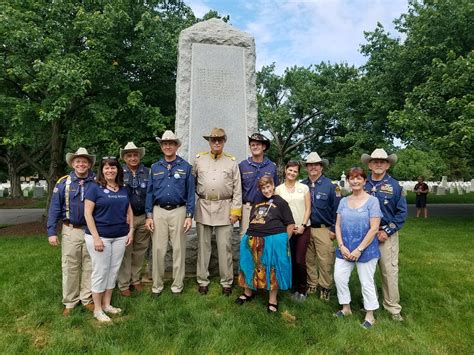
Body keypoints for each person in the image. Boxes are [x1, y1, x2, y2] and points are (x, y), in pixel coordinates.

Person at [47, 148, 96, 316]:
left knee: (90, 265)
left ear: (89, 164)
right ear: (73, 163)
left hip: (92, 230)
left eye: (84, 161)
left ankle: (87, 298)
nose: (81, 164)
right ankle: (70, 301)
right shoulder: (63, 182)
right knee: (70, 266)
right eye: (78, 161)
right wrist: (51, 231)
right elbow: (54, 208)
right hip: (71, 230)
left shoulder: (97, 181)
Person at [193, 127, 242, 296]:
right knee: (203, 247)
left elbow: (237, 188)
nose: (216, 142)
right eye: (213, 140)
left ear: (224, 141)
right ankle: (202, 280)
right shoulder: (199, 159)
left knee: (225, 247)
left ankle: (226, 281)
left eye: (219, 140)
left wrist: (236, 211)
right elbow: (191, 184)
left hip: (224, 208)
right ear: (209, 141)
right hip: (204, 207)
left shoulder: (231, 161)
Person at [145, 131, 195, 297]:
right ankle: (157, 286)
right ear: (161, 146)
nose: (168, 146)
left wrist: (189, 215)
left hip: (179, 211)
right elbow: (150, 193)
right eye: (165, 144)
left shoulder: (186, 167)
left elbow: (190, 193)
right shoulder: (155, 167)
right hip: (158, 211)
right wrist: (149, 215)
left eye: (171, 143)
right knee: (158, 250)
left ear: (176, 146)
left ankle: (177, 286)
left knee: (179, 249)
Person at [84, 157, 133, 322]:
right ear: (102, 171)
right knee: (101, 271)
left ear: (118, 170)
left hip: (120, 236)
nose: (110, 171)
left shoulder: (123, 189)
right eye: (106, 168)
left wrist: (131, 230)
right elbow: (87, 214)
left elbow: (129, 211)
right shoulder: (94, 188)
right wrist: (96, 238)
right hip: (100, 237)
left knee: (113, 271)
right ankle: (97, 309)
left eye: (113, 168)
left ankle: (107, 304)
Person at [236, 176, 295, 313]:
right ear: (260, 189)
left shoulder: (281, 202)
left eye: (268, 186)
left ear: (273, 185)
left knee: (272, 268)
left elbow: (290, 224)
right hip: (252, 237)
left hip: (273, 238)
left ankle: (272, 300)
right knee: (247, 264)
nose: (267, 190)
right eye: (263, 188)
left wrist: (284, 242)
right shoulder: (257, 202)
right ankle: (248, 292)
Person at [362, 148, 407, 321]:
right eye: (375, 161)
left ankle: (392, 307)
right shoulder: (363, 184)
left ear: (387, 165)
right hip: (366, 234)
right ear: (370, 164)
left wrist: (387, 231)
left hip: (385, 233)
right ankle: (370, 303)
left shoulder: (395, 186)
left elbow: (401, 213)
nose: (378, 164)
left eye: (382, 161)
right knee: (367, 271)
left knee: (389, 271)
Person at [334, 167, 382, 329]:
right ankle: (346, 308)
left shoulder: (372, 201)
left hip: (366, 250)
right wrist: (341, 245)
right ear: (348, 181)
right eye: (352, 178)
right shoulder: (343, 201)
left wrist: (359, 249)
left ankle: (370, 315)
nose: (355, 181)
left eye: (358, 178)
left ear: (364, 181)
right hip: (345, 248)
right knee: (339, 277)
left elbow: (374, 228)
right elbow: (338, 225)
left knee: (366, 282)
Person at [301, 152, 338, 300]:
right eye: (310, 165)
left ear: (321, 167)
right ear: (306, 168)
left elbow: (337, 210)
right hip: (307, 227)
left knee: (325, 259)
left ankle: (325, 287)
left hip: (324, 228)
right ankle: (312, 283)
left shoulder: (331, 186)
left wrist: (334, 229)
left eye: (316, 164)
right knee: (308, 258)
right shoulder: (302, 185)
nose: (313, 167)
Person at [116, 142, 151, 297]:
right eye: (129, 155)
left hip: (143, 216)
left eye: (135, 155)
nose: (133, 158)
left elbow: (152, 194)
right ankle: (124, 284)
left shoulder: (147, 172)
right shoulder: (119, 173)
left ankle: (135, 280)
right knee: (126, 251)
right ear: (124, 158)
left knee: (140, 250)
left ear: (139, 156)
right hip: (126, 219)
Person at [275, 161, 311, 301]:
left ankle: (303, 288)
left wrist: (302, 225)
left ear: (298, 173)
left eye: (295, 171)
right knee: (289, 259)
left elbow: (308, 208)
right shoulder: (278, 189)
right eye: (290, 170)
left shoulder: (304, 188)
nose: (292, 173)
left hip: (302, 228)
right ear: (285, 170)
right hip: (286, 229)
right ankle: (293, 287)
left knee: (299, 260)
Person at [239, 133, 279, 236]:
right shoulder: (242, 165)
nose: (255, 147)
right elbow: (237, 190)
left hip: (266, 208)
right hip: (247, 208)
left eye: (258, 144)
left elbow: (276, 190)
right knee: (246, 240)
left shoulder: (271, 166)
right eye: (252, 145)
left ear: (264, 147)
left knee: (265, 239)